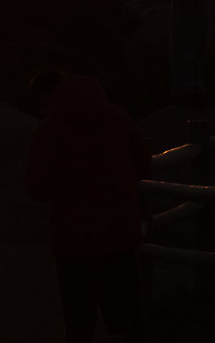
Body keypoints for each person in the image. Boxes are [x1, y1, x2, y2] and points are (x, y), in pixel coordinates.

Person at [24, 70, 143, 343]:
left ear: (44, 98)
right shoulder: (118, 117)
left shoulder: (50, 130)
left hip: (74, 243)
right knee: (127, 323)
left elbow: (37, 190)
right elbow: (143, 166)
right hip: (121, 235)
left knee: (80, 326)